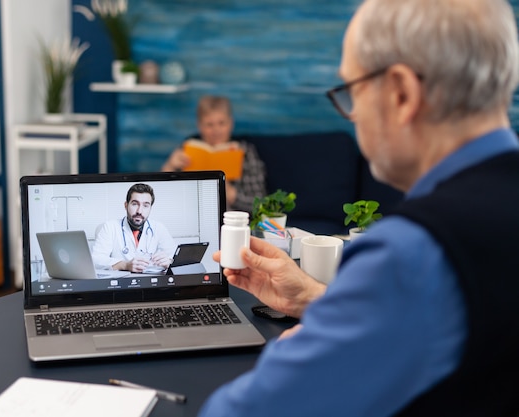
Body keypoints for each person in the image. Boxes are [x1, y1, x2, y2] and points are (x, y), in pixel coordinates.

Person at [199, 0, 519, 416]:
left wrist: (310, 346)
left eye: (351, 90)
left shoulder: (412, 253)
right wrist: (317, 299)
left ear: (402, 93)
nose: (352, 115)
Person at [161, 95, 267, 212]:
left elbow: (260, 204)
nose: (216, 130)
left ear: (231, 123)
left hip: (233, 219)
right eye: (209, 125)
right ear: (200, 126)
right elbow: (162, 197)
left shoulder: (246, 152)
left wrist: (231, 194)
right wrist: (169, 166)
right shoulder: (188, 149)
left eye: (221, 123)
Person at [91, 183, 176, 273]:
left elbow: (175, 256)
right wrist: (125, 265)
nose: (139, 211)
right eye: (135, 204)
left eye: (145, 205)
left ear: (150, 208)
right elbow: (96, 260)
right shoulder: (110, 227)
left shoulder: (159, 228)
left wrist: (169, 261)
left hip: (152, 282)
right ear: (126, 205)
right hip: (121, 283)